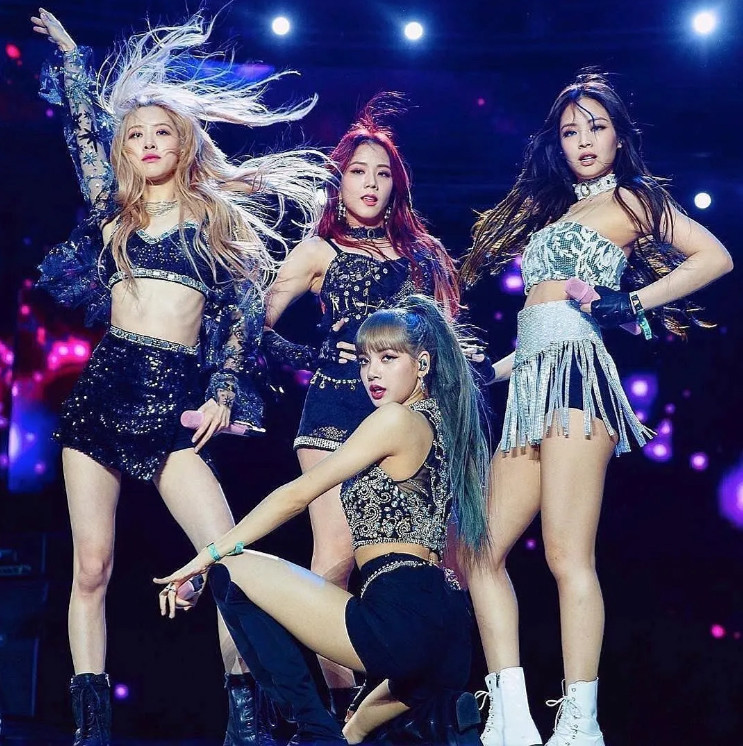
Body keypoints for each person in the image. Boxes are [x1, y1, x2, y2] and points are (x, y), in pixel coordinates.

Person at [31, 9, 328, 745]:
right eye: (134, 134)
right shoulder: (113, 213)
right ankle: (91, 730)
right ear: (123, 150)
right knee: (92, 566)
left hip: (173, 401)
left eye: (160, 131)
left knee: (228, 558)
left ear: (183, 142)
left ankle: (246, 719)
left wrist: (222, 393)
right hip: (104, 394)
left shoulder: (215, 219)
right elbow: (82, 131)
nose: (147, 142)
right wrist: (72, 59)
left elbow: (240, 314)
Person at [460, 71, 733, 746]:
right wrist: (489, 373)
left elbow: (716, 257)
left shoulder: (633, 198)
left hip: (579, 383)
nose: (583, 140)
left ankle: (580, 723)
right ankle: (511, 716)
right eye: (570, 130)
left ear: (618, 137)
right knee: (476, 552)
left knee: (565, 555)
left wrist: (631, 302)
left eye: (596, 127)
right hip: (530, 384)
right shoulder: (556, 217)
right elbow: (542, 321)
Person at [155, 295, 489, 746]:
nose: (371, 373)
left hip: (398, 618)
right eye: (365, 360)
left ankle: (312, 730)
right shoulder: (448, 426)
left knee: (230, 568)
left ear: (423, 363)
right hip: (448, 635)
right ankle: (413, 721)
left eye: (388, 359)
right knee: (353, 734)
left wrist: (204, 557)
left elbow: (296, 495)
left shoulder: (395, 419)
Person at [260, 94, 460, 714]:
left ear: (397, 185)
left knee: (416, 561)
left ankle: (393, 707)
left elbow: (446, 345)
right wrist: (309, 355)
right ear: (339, 180)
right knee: (337, 556)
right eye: (357, 171)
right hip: (334, 412)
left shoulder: (423, 258)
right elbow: (250, 325)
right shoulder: (319, 250)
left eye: (382, 174)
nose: (370, 183)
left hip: (412, 423)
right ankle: (333, 707)